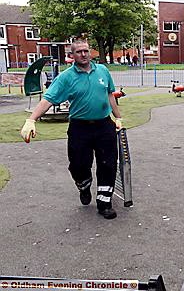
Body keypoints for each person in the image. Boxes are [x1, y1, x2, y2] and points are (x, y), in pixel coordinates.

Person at [20, 39, 123, 219]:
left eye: (86, 51)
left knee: (108, 164)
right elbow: (48, 99)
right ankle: (84, 185)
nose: (83, 54)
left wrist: (119, 117)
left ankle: (104, 203)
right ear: (72, 55)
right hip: (79, 128)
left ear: (90, 52)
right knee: (78, 165)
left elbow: (109, 94)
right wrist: (31, 119)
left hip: (104, 125)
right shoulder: (66, 77)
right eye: (79, 52)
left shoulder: (103, 71)